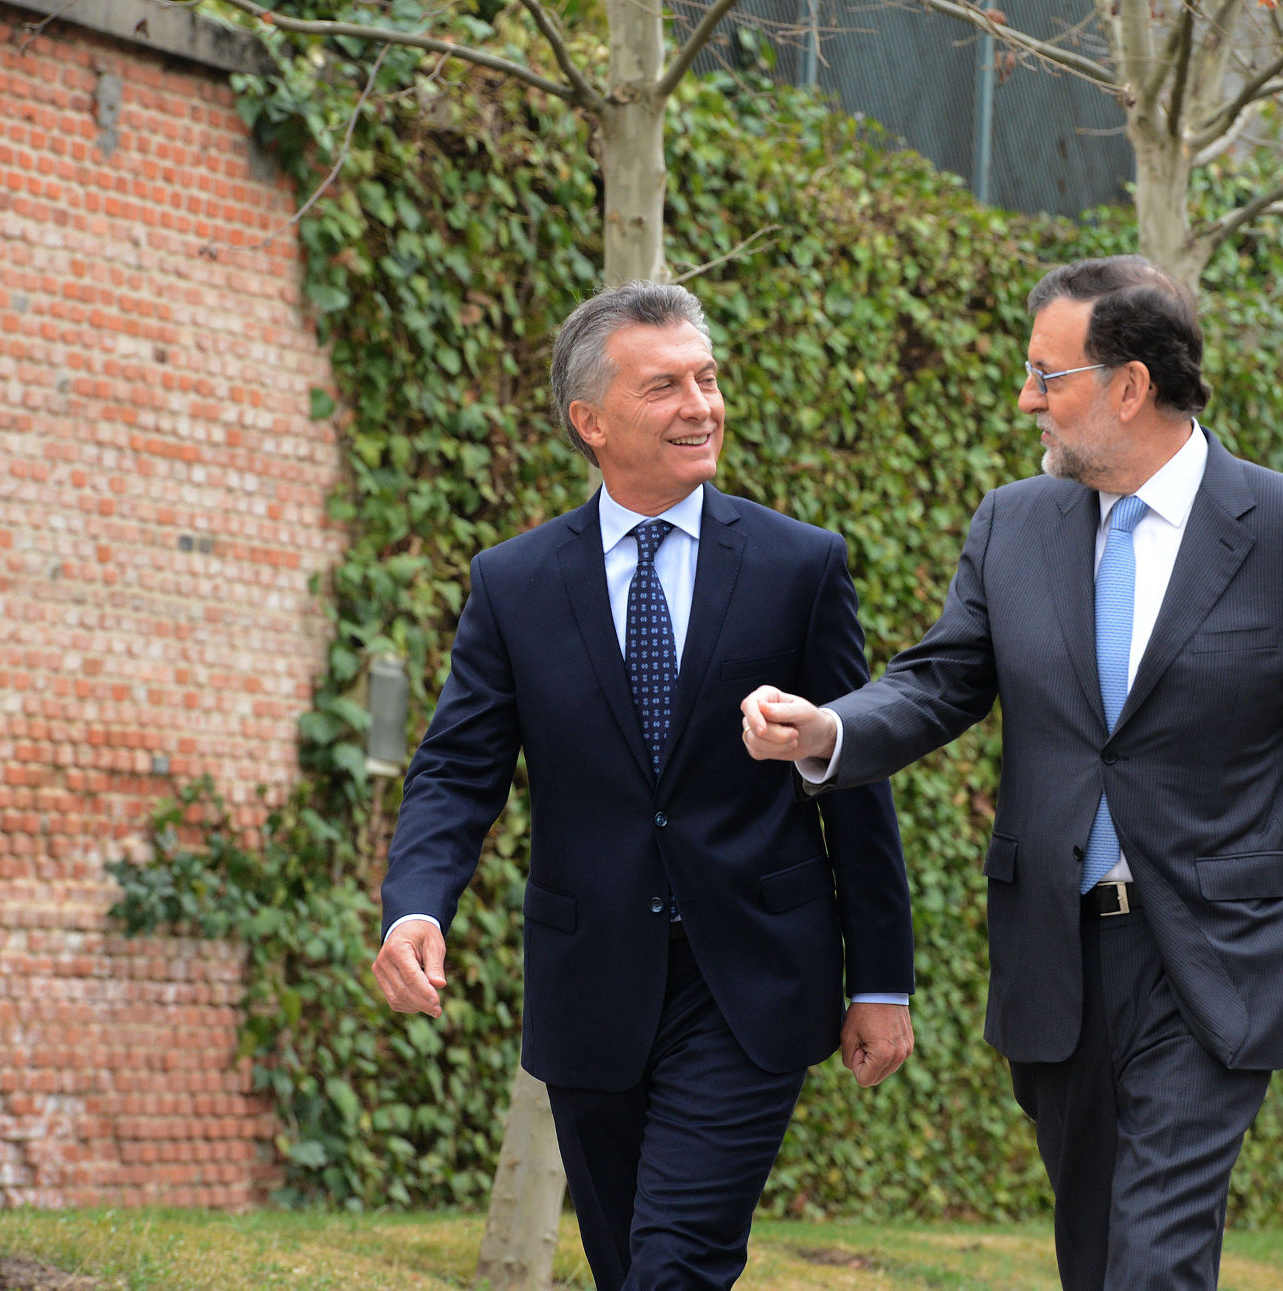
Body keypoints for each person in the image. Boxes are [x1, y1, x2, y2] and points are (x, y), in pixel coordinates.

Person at [739, 257, 1283, 1291]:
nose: (1024, 397)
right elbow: (941, 679)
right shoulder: (1013, 522)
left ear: (1127, 386)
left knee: (1152, 1260)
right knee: (1095, 1258)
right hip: (1057, 958)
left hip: (1213, 961)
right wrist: (826, 729)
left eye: (1046, 375)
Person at [372, 281, 915, 1291]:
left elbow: (854, 781)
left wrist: (879, 979)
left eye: (706, 379)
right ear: (590, 421)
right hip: (592, 989)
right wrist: (414, 906)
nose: (700, 405)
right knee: (630, 1265)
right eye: (664, 385)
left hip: (751, 980)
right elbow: (457, 768)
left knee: (676, 1265)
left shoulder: (800, 567)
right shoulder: (515, 583)